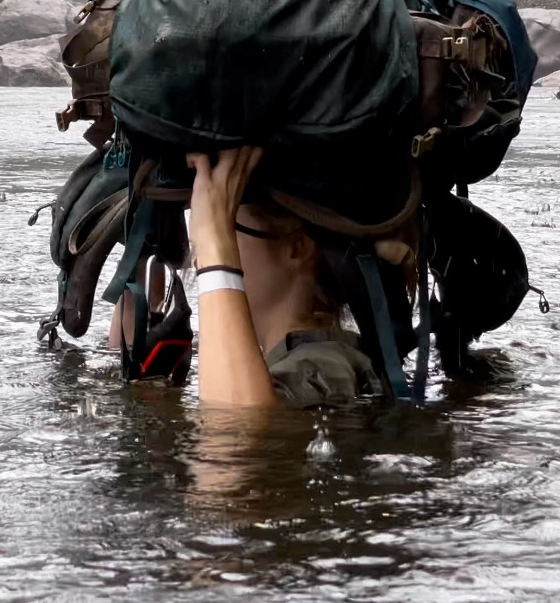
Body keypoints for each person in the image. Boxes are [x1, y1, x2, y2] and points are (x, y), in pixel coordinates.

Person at [113, 145, 385, 409]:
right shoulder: (301, 360)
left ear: (297, 246)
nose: (199, 259)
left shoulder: (326, 365)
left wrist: (215, 250)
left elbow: (238, 431)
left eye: (226, 228)